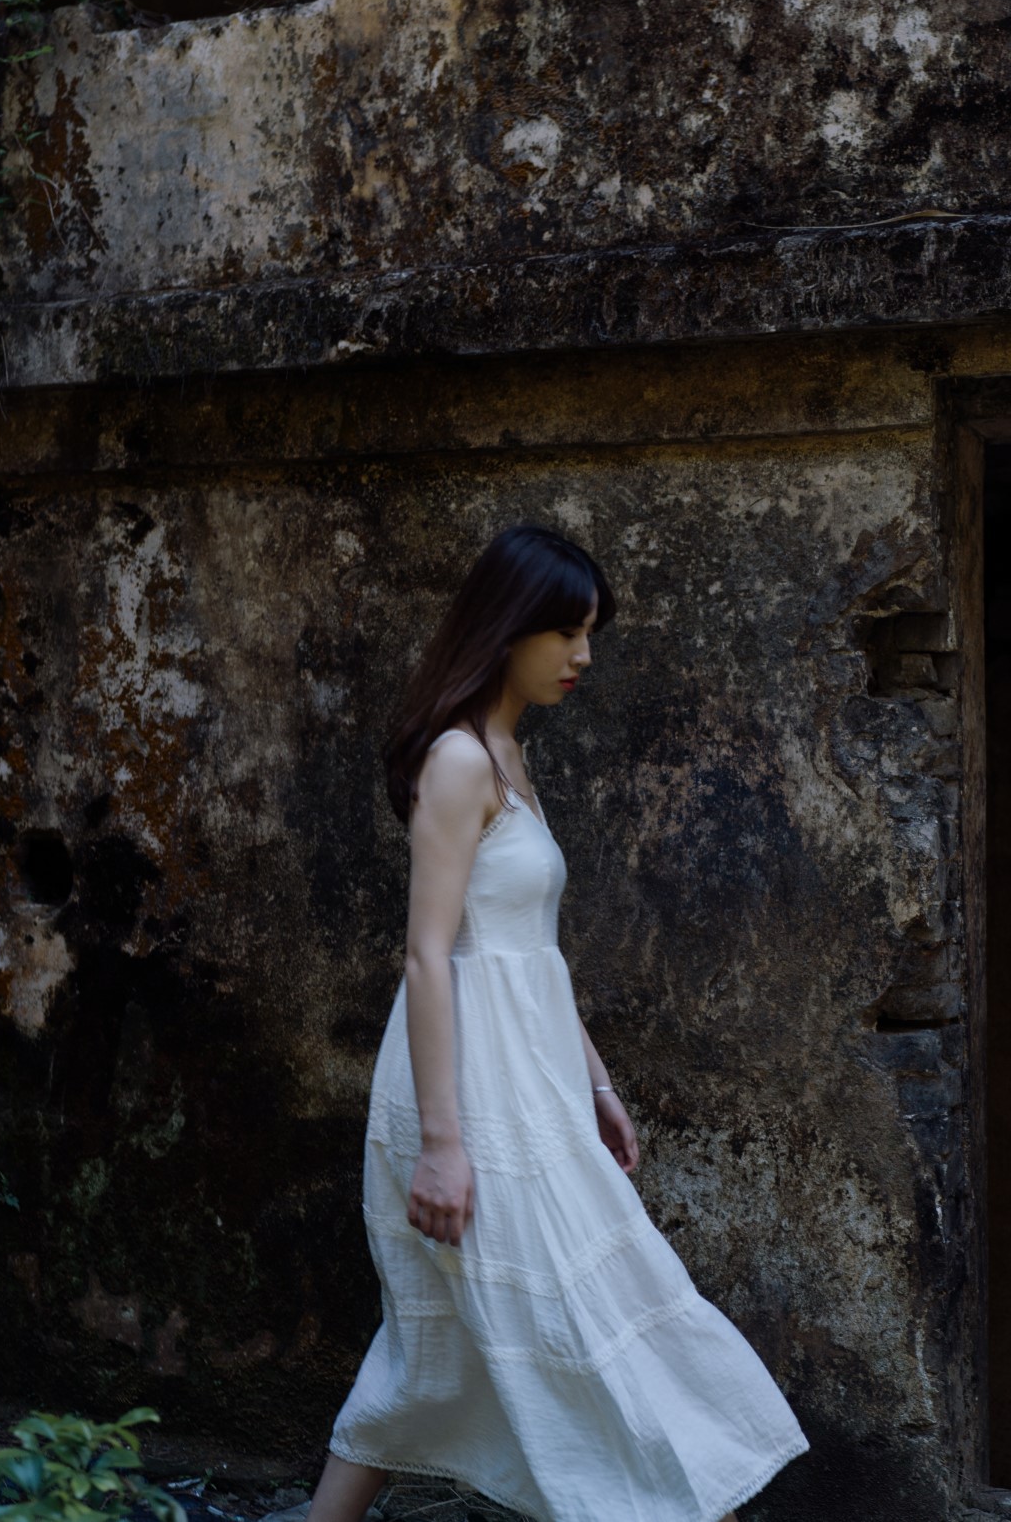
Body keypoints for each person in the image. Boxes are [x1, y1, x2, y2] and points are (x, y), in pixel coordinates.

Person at [307, 525, 809, 1522]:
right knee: (559, 1317)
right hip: (468, 1092)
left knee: (441, 1343)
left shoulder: (510, 755)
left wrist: (599, 1082)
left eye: (590, 633)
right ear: (507, 628)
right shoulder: (459, 759)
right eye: (567, 631)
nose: (583, 655)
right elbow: (430, 954)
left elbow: (531, 955)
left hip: (527, 1080)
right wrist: (442, 1144)